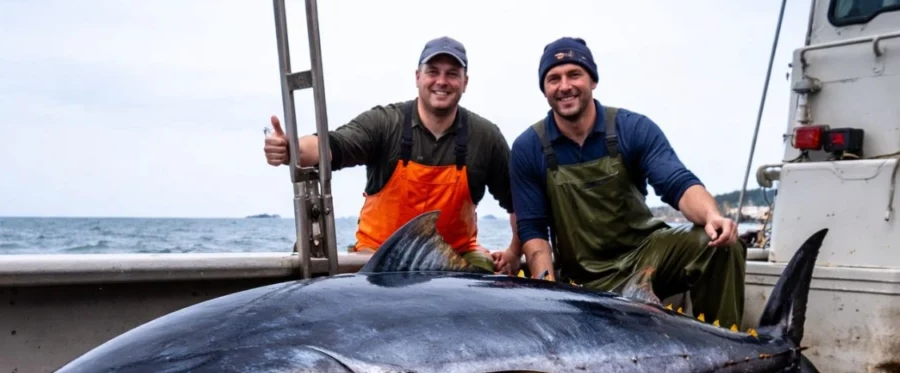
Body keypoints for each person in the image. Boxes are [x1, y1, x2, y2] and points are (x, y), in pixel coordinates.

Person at [510, 37, 747, 330]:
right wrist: (547, 299)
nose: (565, 86)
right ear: (544, 89)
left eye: (574, 74)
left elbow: (677, 182)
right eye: (553, 78)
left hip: (646, 257)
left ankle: (724, 345)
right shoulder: (528, 147)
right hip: (582, 278)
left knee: (718, 245)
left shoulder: (632, 128)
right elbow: (533, 230)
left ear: (593, 80)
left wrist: (712, 216)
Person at [264, 36, 522, 274]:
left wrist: (514, 251)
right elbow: (335, 145)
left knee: (485, 273)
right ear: (417, 77)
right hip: (379, 255)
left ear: (465, 82)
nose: (441, 81)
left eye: (452, 74)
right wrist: (292, 150)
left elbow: (520, 201)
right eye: (433, 72)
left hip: (457, 255)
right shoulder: (385, 123)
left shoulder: (485, 137)